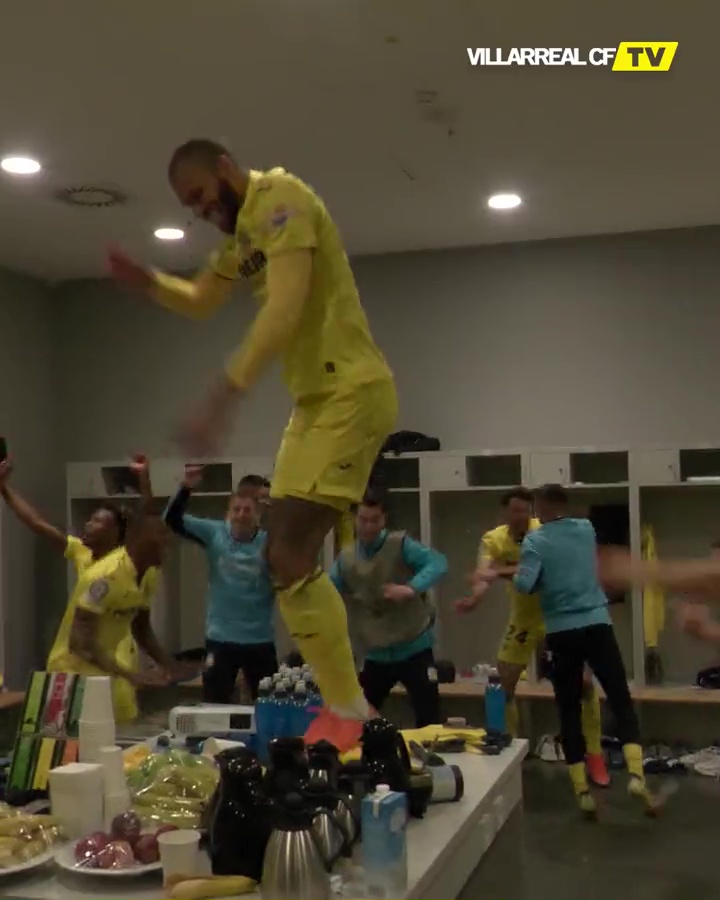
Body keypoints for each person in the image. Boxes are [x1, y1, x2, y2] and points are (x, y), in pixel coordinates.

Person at [108, 140, 397, 748]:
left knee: (290, 550)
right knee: (281, 559)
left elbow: (287, 307)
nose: (198, 210)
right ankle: (347, 704)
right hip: (313, 403)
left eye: (199, 195)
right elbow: (200, 298)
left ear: (224, 169)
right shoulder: (243, 240)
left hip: (350, 392)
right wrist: (150, 283)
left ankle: (350, 710)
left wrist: (224, 393)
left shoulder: (281, 200)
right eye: (188, 206)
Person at [504, 485, 656, 816]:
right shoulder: (587, 529)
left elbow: (525, 584)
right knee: (619, 697)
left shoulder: (535, 541)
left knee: (569, 708)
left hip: (561, 631)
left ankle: (582, 791)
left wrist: (523, 574)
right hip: (597, 623)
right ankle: (636, 775)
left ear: (541, 507)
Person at [0, 456, 184, 722]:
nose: (87, 525)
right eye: (90, 520)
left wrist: (167, 664)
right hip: (80, 654)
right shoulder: (86, 557)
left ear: (118, 535)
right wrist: (5, 490)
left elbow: (150, 522)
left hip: (115, 646)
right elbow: (37, 523)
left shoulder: (141, 567)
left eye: (98, 522)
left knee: (118, 720)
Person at [456, 489, 608, 785]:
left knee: (585, 684)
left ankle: (595, 755)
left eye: (527, 510)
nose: (522, 516)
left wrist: (502, 571)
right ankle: (509, 753)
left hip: (559, 615)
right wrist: (475, 598)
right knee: (502, 682)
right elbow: (483, 573)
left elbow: (540, 571)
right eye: (516, 511)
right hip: (524, 618)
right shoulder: (494, 540)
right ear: (505, 514)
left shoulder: (545, 533)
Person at [329, 492, 448, 727]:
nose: (369, 526)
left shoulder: (400, 545)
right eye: (363, 519)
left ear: (384, 519)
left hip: (414, 647)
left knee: (429, 717)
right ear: (355, 518)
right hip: (376, 652)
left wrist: (411, 588)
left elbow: (438, 563)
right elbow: (328, 589)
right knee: (357, 718)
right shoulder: (347, 559)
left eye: (375, 520)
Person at [164, 465, 277, 702]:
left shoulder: (270, 542)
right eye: (237, 509)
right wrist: (186, 487)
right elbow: (172, 519)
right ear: (228, 512)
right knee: (215, 702)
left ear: (258, 515)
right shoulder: (215, 533)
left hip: (260, 639)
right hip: (221, 638)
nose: (242, 514)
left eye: (248, 510)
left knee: (268, 703)